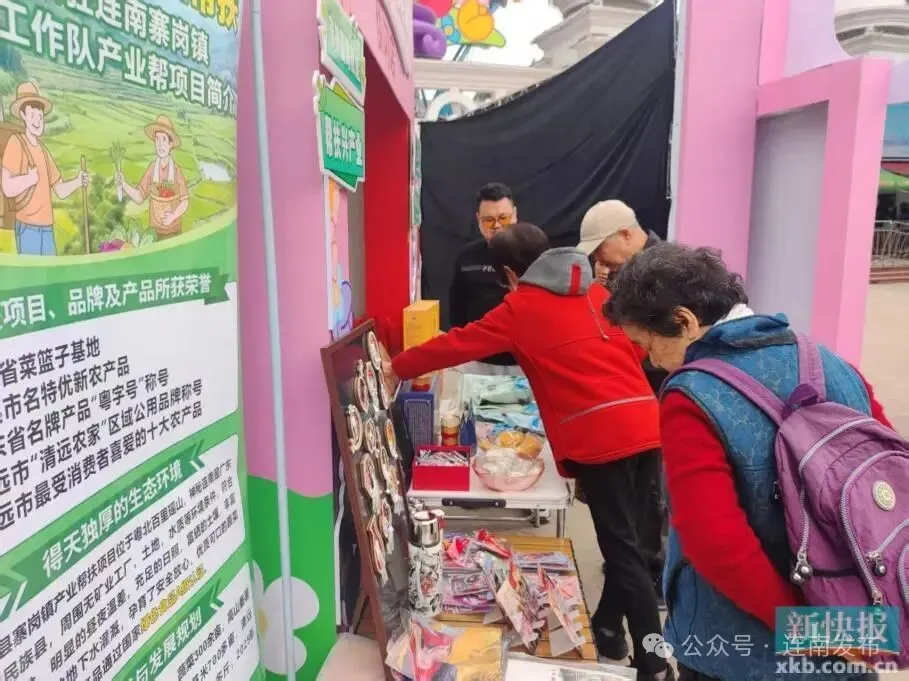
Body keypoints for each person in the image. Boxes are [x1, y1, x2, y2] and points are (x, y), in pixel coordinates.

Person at [384, 223, 673, 681]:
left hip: (603, 437)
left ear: (510, 274)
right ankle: (607, 628)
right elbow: (633, 352)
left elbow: (457, 343)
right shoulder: (598, 294)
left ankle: (655, 665)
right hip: (646, 422)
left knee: (623, 553)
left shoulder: (521, 306)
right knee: (631, 544)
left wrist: (394, 366)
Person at [604, 243, 891, 681]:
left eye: (647, 344)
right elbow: (889, 481)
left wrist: (804, 630)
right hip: (852, 628)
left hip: (742, 646)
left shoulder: (692, 395)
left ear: (684, 321)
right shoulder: (833, 364)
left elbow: (714, 542)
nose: (651, 360)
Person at [577, 199, 667, 602]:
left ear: (626, 235)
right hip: (634, 394)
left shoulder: (664, 270)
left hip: (658, 393)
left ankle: (650, 571)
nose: (600, 260)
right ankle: (632, 566)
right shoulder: (630, 269)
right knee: (635, 493)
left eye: (602, 249)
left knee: (651, 493)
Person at [1, 81, 90, 256]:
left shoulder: (43, 151)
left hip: (47, 229)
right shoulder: (16, 143)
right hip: (28, 228)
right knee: (33, 273)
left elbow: (60, 190)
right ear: (23, 115)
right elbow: (7, 187)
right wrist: (29, 179)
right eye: (32, 114)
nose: (38, 120)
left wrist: (78, 181)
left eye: (40, 116)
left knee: (50, 272)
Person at [448, 182, 521, 376]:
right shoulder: (467, 257)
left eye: (503, 218)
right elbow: (456, 309)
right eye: (488, 220)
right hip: (476, 362)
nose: (496, 225)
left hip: (523, 363)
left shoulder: (531, 254)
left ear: (514, 215)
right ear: (478, 220)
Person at [116, 114, 190, 239]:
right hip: (154, 233)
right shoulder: (152, 169)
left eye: (164, 139)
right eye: (157, 139)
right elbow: (139, 197)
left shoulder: (176, 170)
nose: (160, 145)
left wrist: (172, 216)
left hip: (174, 232)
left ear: (170, 144)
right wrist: (123, 184)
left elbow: (185, 201)